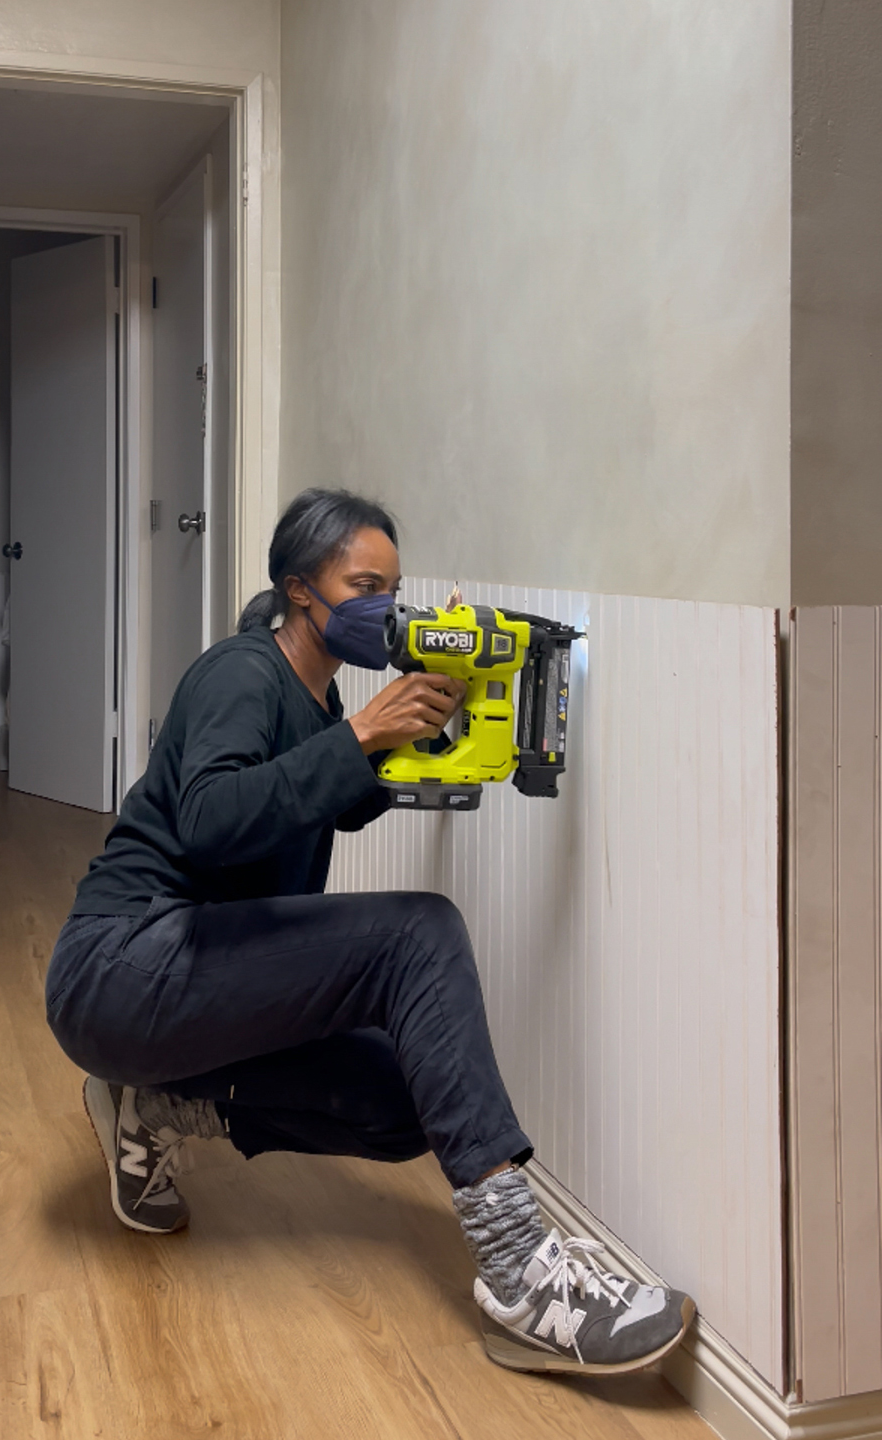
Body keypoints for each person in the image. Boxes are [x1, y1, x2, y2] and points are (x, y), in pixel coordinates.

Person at [46, 488, 694, 1376]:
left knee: (400, 1101)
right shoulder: (242, 671)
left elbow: (338, 800)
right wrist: (361, 733)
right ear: (299, 590)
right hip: (119, 966)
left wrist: (446, 730)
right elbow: (208, 821)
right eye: (364, 585)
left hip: (189, 982)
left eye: (394, 587)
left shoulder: (319, 707)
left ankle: (155, 1102)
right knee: (420, 929)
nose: (384, 608)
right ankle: (522, 1273)